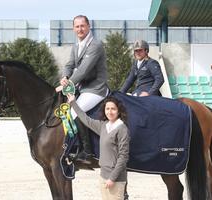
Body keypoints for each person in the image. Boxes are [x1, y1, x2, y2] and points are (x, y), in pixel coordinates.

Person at [55, 15, 109, 163]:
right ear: (73, 29)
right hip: (83, 87)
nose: (80, 29)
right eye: (77, 26)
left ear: (88, 26)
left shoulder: (95, 45)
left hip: (96, 88)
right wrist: (65, 76)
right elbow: (69, 65)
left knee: (73, 112)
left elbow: (83, 70)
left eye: (82, 26)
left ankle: (87, 152)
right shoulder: (76, 45)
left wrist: (66, 84)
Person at [67, 93, 130, 200]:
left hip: (115, 179)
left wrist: (112, 178)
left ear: (118, 111)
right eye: (107, 109)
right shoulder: (104, 125)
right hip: (103, 176)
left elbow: (123, 157)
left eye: (113, 109)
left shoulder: (122, 129)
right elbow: (86, 120)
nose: (110, 112)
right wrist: (73, 103)